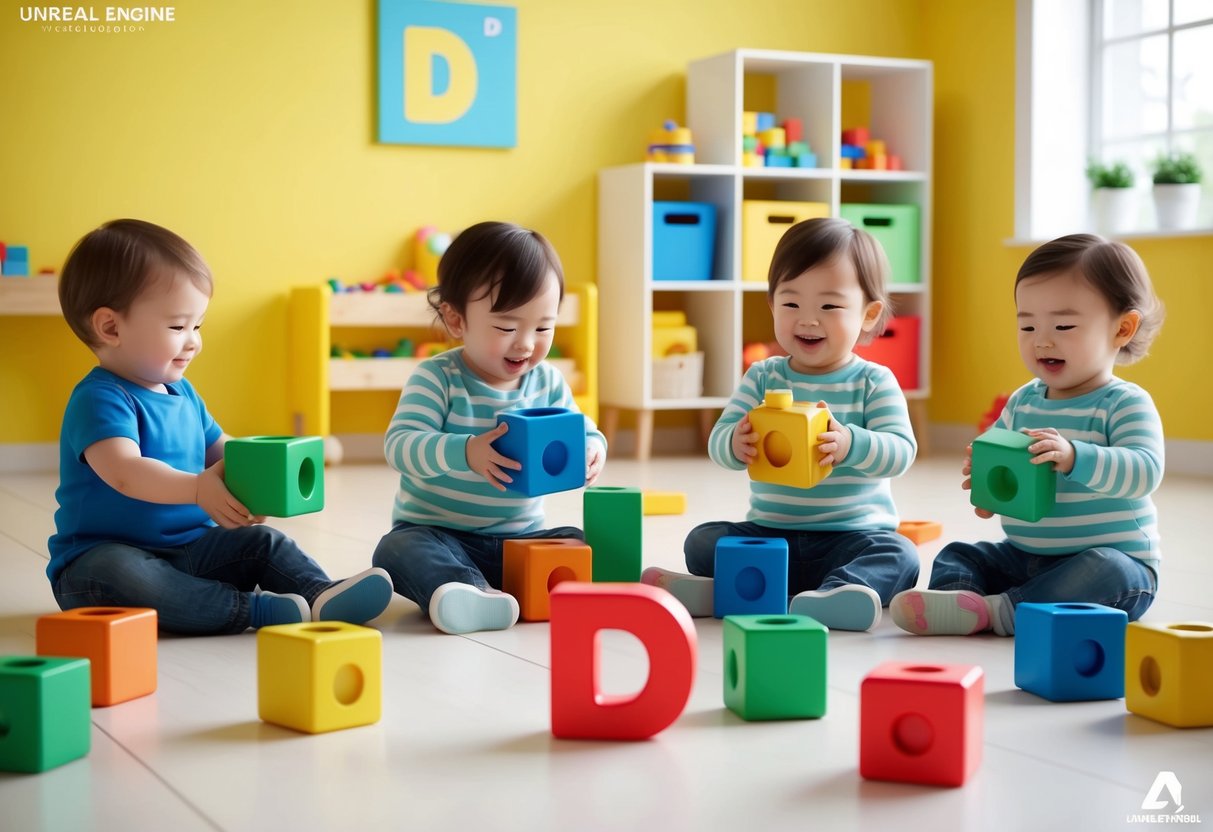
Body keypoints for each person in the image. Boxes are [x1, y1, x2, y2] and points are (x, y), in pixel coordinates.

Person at [48, 219, 393, 635]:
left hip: (192, 550)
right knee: (124, 572)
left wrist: (258, 481)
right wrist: (198, 488)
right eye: (178, 326)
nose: (193, 340)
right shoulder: (100, 398)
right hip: (102, 561)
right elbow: (125, 473)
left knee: (263, 543)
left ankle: (319, 592)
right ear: (111, 327)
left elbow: (224, 451)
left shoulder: (183, 394)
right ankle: (250, 611)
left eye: (198, 326)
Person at [643, 217, 919, 631]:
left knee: (901, 555)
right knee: (702, 539)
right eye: (791, 304)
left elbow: (900, 451)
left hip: (850, 537)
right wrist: (736, 443)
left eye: (829, 306)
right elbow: (719, 440)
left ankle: (833, 592)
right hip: (771, 534)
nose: (807, 320)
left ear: (868, 314)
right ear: (772, 304)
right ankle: (740, 585)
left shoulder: (872, 381)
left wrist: (851, 444)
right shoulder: (764, 376)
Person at [891, 233, 1165, 637]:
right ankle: (960, 600)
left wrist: (1075, 456)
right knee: (959, 553)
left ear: (1122, 328)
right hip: (1024, 556)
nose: (1042, 339)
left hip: (1106, 562)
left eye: (1064, 325)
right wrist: (987, 489)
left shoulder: (1123, 403)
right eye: (1028, 325)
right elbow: (1003, 468)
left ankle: (1006, 611)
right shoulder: (1023, 402)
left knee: (1113, 572)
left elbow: (1145, 471)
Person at [371, 221, 607, 635]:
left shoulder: (547, 381)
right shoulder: (438, 377)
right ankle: (466, 591)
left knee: (591, 541)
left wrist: (592, 448)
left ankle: (541, 589)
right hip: (440, 535)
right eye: (506, 327)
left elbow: (581, 428)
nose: (526, 343)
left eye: (543, 327)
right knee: (396, 549)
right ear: (456, 319)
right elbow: (400, 445)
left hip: (522, 541)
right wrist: (465, 451)